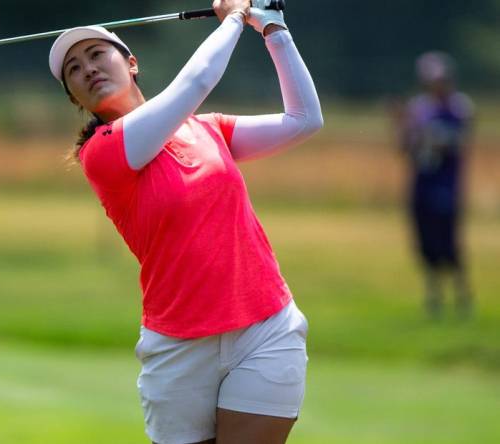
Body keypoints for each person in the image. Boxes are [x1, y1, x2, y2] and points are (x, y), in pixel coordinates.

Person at [48, 0, 322, 442]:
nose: (88, 69)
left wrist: (274, 29)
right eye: (74, 70)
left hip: (265, 326)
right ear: (74, 98)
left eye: (97, 54)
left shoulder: (208, 128)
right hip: (179, 345)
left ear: (131, 63)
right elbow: (196, 81)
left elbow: (304, 120)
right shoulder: (101, 153)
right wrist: (235, 16)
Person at [396, 51, 474, 319]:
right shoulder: (420, 108)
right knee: (425, 243)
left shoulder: (458, 108)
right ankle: (434, 296)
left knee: (449, 243)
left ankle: (462, 295)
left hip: (445, 186)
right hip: (422, 185)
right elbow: (406, 148)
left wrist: (423, 133)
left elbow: (455, 141)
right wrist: (403, 127)